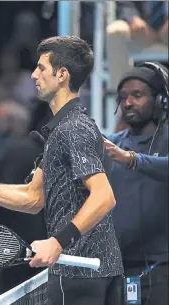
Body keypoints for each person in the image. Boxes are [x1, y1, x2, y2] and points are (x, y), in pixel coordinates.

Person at [0, 36, 124, 305]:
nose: (34, 74)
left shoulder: (74, 128)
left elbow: (104, 197)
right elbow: (34, 198)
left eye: (41, 68)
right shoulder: (60, 130)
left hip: (85, 272)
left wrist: (57, 242)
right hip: (76, 272)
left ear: (62, 75)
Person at [103, 62, 168, 305]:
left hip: (163, 268)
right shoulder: (111, 144)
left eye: (137, 95)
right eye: (123, 97)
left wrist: (130, 159)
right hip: (117, 271)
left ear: (161, 100)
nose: (128, 102)